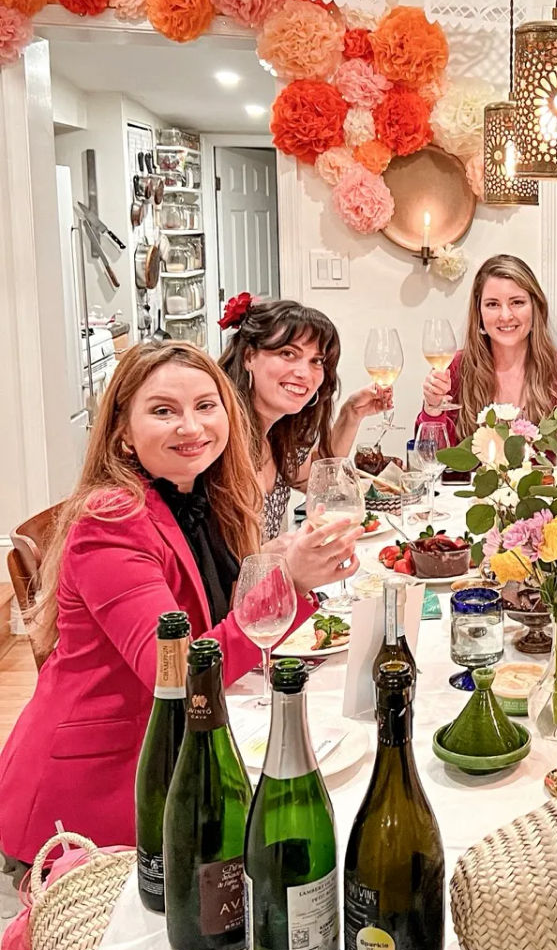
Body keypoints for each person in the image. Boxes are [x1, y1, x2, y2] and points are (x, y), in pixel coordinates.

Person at [0, 342, 359, 866]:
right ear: (122, 431)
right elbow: (176, 674)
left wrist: (280, 565)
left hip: (175, 753)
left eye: (205, 406)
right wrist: (291, 582)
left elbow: (213, 613)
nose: (191, 427)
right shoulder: (111, 521)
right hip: (93, 804)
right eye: (163, 410)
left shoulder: (203, 494)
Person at [218, 294, 391, 541]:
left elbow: (324, 483)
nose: (303, 373)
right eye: (288, 353)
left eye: (316, 361)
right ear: (248, 356)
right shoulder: (221, 440)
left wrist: (351, 414)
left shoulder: (276, 436)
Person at [417, 254, 557, 444]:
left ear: (535, 308)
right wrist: (432, 408)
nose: (506, 315)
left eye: (517, 302)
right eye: (492, 304)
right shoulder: (454, 371)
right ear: (479, 313)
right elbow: (430, 459)